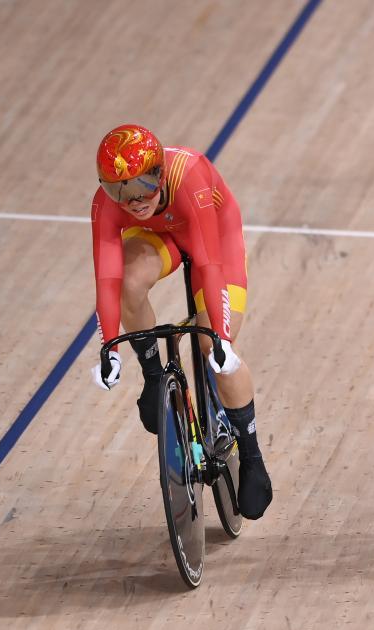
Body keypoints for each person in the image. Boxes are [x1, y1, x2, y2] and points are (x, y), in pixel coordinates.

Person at [88, 123, 272, 518]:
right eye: (119, 190)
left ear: (159, 171)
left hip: (211, 237)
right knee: (129, 282)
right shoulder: (107, 206)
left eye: (141, 185)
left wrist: (220, 338)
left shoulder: (187, 176)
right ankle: (155, 374)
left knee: (212, 350)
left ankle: (253, 457)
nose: (133, 200)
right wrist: (110, 349)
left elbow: (207, 263)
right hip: (162, 234)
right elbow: (107, 279)